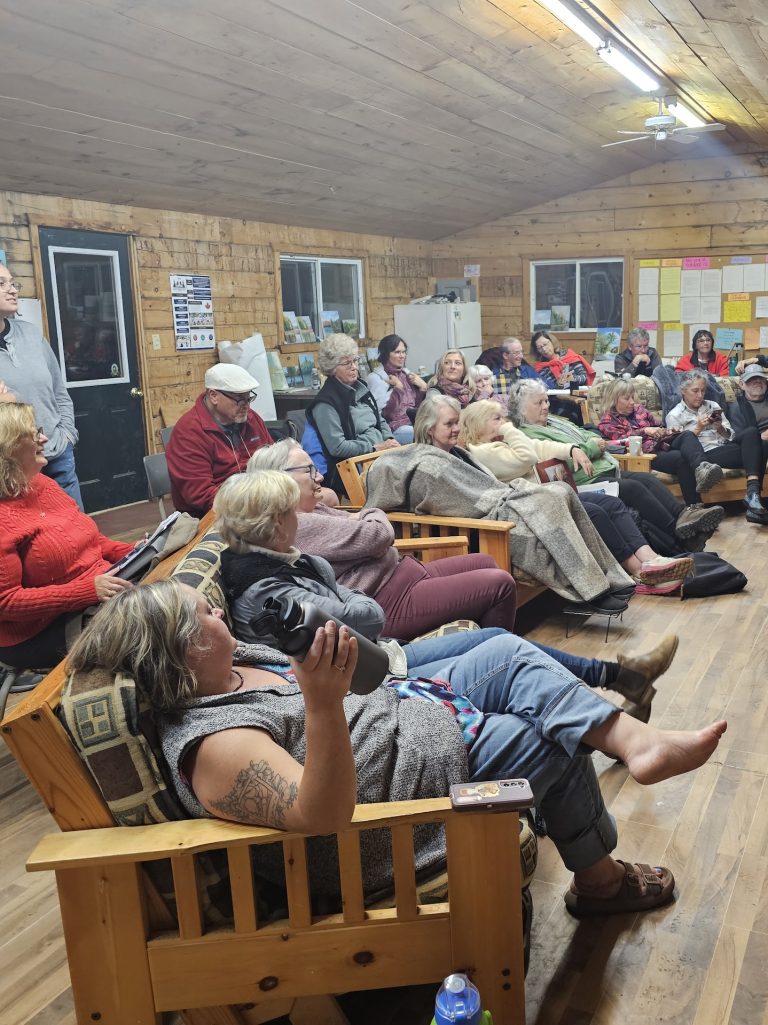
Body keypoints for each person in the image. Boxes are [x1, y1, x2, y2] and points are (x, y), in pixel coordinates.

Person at [65, 578, 728, 916]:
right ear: (181, 651)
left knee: (503, 651)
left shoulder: (235, 663)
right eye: (206, 614)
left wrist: (345, 664)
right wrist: (322, 703)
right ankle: (601, 880)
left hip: (410, 715)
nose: (221, 614)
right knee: (545, 737)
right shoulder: (212, 746)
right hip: (402, 800)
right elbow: (318, 816)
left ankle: (636, 741)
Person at [215, 466, 677, 712]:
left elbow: (349, 601)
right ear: (274, 523)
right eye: (291, 512)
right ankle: (616, 687)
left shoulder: (286, 559)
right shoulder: (270, 590)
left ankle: (618, 680)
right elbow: (367, 612)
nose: (300, 517)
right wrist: (350, 598)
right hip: (373, 675)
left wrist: (347, 598)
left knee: (499, 638)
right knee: (505, 645)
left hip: (379, 651)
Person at [367, 394, 634, 614]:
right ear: (429, 429)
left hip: (498, 506)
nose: (457, 429)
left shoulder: (455, 452)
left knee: (560, 491)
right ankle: (590, 592)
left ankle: (609, 577)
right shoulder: (426, 465)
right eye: (449, 424)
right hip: (478, 528)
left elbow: (483, 486)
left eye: (457, 422)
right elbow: (463, 502)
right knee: (548, 505)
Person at [246, 440, 518, 641]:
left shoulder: (312, 509)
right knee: (500, 584)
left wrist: (363, 519)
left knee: (485, 561)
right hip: (387, 600)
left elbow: (368, 529)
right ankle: (498, 658)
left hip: (402, 574)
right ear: (280, 479)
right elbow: (379, 534)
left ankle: (476, 645)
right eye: (309, 470)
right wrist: (370, 513)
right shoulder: (299, 523)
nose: (319, 476)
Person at [458, 401, 693, 594]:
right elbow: (527, 456)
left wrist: (571, 449)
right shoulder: (482, 452)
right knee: (596, 513)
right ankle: (638, 572)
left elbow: (540, 446)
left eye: (503, 418)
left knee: (612, 503)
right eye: (497, 419)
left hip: (550, 497)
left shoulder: (501, 443)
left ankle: (651, 559)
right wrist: (510, 430)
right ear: (479, 424)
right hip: (534, 509)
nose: (504, 422)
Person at [509, 379, 724, 552]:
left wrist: (591, 444)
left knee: (647, 479)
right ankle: (681, 535)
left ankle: (687, 518)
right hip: (583, 482)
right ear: (521, 410)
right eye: (539, 403)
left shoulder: (556, 421)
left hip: (605, 469)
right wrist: (591, 447)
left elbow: (589, 434)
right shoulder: (527, 434)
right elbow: (575, 454)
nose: (546, 406)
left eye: (546, 400)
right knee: (633, 488)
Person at [0, 402, 135, 669]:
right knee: (149, 624)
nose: (43, 438)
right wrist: (87, 591)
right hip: (38, 631)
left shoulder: (43, 484)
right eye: (33, 433)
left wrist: (132, 550)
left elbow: (90, 540)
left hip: (92, 595)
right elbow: (6, 602)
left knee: (168, 596)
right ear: (9, 448)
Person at [0, 265, 83, 508]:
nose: (12, 290)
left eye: (12, 283)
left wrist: (67, 435)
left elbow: (59, 391)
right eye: (1, 284)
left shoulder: (31, 334)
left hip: (57, 453)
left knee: (77, 525)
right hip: (13, 466)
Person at [165, 364, 272, 519]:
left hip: (259, 503)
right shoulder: (188, 432)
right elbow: (202, 495)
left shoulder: (251, 419)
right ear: (214, 396)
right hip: (212, 515)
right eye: (239, 400)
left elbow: (274, 461)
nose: (247, 406)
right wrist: (254, 502)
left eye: (248, 398)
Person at [597, 378, 725, 507]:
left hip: (662, 442)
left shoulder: (639, 409)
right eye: (626, 398)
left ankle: (702, 468)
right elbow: (622, 440)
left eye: (632, 397)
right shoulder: (607, 422)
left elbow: (659, 424)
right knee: (681, 459)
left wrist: (665, 430)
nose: (632, 402)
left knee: (687, 434)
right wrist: (645, 430)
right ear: (614, 399)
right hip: (646, 454)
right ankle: (696, 506)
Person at [667, 369, 768, 525]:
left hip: (726, 447)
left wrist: (720, 428)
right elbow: (681, 445)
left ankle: (753, 493)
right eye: (695, 391)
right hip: (704, 456)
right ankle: (754, 501)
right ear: (683, 391)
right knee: (759, 448)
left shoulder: (712, 405)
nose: (700, 395)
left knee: (752, 433)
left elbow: (731, 436)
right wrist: (698, 428)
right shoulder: (675, 415)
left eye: (703, 390)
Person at [305, 333, 398, 495]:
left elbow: (380, 420)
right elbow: (338, 448)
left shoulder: (361, 387)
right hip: (355, 468)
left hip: (380, 457)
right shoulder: (325, 404)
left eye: (355, 360)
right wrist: (374, 448)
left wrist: (389, 439)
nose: (354, 367)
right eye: (347, 363)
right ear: (332, 368)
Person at [365, 334, 427, 443]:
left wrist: (423, 388)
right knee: (425, 434)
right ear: (386, 354)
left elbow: (415, 407)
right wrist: (398, 388)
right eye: (397, 352)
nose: (402, 356)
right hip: (393, 429)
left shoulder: (406, 374)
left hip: (414, 422)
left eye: (404, 352)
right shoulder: (377, 378)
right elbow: (385, 415)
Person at [530, 330, 595, 389]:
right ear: (537, 351)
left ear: (552, 341)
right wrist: (559, 384)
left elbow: (584, 377)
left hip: (577, 394)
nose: (544, 349)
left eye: (545, 344)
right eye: (539, 347)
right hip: (558, 397)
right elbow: (546, 388)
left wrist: (573, 379)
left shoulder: (569, 356)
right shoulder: (540, 368)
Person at [728, 363, 768, 438]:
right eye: (752, 379)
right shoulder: (737, 407)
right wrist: (761, 437)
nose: (758, 381)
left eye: (761, 378)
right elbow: (739, 437)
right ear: (742, 384)